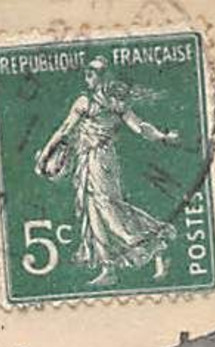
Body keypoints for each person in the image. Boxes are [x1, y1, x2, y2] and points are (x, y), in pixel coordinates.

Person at [34, 56, 180, 287]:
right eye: (87, 74)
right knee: (93, 211)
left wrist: (162, 137)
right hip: (86, 159)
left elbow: (139, 127)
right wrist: (45, 156)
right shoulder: (86, 101)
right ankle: (109, 267)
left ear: (103, 77)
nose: (87, 78)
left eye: (92, 74)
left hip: (102, 160)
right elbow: (64, 130)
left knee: (109, 207)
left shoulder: (112, 103)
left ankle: (154, 241)